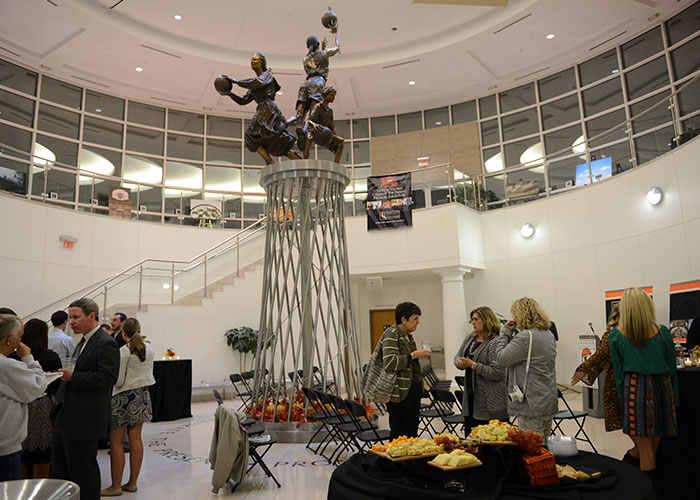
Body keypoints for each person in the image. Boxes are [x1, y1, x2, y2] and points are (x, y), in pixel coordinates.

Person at [609, 287, 677, 491]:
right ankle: (636, 483)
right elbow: (672, 369)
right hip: (661, 389)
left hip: (634, 391)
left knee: (645, 450)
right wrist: (675, 401)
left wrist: (624, 404)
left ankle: (632, 483)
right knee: (649, 448)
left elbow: (619, 375)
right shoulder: (663, 332)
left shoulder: (616, 336)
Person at [50, 298, 119, 500]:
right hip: (68, 413)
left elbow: (108, 377)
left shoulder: (105, 343)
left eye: (76, 317)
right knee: (63, 468)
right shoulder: (83, 341)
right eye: (70, 317)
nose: (71, 322)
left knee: (84, 472)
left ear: (91, 316)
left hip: (85, 418)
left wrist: (74, 377)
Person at [570, 304, 639, 464]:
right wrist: (584, 368)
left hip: (630, 386)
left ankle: (634, 463)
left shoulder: (638, 334)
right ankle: (636, 463)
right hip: (625, 385)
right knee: (635, 431)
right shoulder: (614, 335)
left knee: (637, 433)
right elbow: (600, 356)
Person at [217, 52, 301, 165]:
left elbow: (259, 82)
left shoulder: (267, 75)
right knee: (252, 138)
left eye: (255, 60)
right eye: (251, 60)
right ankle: (269, 162)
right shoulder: (254, 85)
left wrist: (236, 81)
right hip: (262, 108)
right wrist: (229, 94)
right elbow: (244, 100)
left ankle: (301, 164)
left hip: (269, 108)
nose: (252, 62)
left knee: (267, 134)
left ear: (262, 63)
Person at [101, 318, 155, 496]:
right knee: (136, 439)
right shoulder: (150, 349)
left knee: (116, 442)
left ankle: (115, 485)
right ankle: (132, 483)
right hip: (142, 396)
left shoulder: (123, 352)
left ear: (123, 334)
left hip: (123, 399)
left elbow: (119, 380)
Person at [496, 297, 557, 436]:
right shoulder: (548, 334)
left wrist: (505, 333)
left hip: (531, 402)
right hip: (548, 398)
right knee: (544, 446)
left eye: (515, 315)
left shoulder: (525, 337)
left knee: (532, 449)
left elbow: (501, 358)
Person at [0, 314, 47, 481]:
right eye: (20, 336)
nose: (21, 341)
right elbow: (38, 385)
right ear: (10, 340)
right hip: (5, 449)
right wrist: (28, 358)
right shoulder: (7, 366)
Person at [16, 319, 61, 479]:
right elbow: (57, 385)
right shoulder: (51, 357)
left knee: (21, 452)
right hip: (44, 408)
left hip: (22, 404)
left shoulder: (15, 357)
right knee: (43, 452)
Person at [379, 302, 431, 439]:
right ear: (403, 319)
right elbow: (390, 362)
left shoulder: (408, 335)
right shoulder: (391, 334)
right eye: (415, 318)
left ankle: (410, 460)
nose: (418, 322)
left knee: (412, 432)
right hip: (399, 393)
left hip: (413, 389)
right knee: (399, 434)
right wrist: (414, 355)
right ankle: (397, 461)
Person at [454, 306, 508, 431]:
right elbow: (458, 355)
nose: (472, 322)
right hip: (472, 398)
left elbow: (498, 372)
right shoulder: (471, 337)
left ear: (487, 320)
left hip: (490, 401)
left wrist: (473, 365)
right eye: (472, 319)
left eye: (476, 319)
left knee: (489, 443)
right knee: (471, 439)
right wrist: (459, 362)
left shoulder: (495, 342)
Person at [287, 28, 340, 128]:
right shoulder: (324, 53)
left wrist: (323, 49)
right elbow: (337, 48)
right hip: (317, 82)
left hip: (305, 83)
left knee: (298, 116)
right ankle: (306, 131)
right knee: (313, 116)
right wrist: (334, 33)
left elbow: (315, 61)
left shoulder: (305, 59)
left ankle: (283, 125)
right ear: (318, 44)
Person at [300, 86, 345, 163]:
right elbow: (309, 121)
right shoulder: (318, 107)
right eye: (331, 95)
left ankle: (336, 164)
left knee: (341, 141)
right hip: (313, 130)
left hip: (323, 133)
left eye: (334, 96)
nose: (333, 97)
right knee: (309, 138)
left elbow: (331, 126)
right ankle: (305, 161)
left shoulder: (330, 111)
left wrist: (333, 137)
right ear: (325, 95)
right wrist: (315, 125)